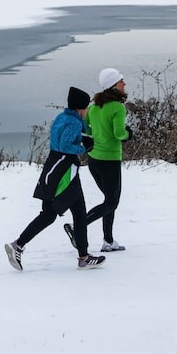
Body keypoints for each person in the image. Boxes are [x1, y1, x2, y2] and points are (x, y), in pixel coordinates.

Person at [5, 87, 106, 271]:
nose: (87, 111)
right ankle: (18, 245)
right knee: (51, 214)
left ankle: (83, 257)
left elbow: (60, 139)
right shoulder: (75, 123)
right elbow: (66, 145)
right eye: (86, 108)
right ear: (80, 109)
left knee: (79, 213)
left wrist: (82, 139)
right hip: (65, 171)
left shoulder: (62, 118)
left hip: (55, 165)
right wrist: (84, 149)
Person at [75, 67, 131, 252]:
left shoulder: (93, 107)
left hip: (94, 160)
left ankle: (108, 241)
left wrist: (95, 137)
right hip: (110, 161)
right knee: (112, 202)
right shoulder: (118, 107)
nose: (124, 83)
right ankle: (78, 228)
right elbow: (119, 134)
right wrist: (128, 134)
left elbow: (87, 129)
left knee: (109, 201)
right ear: (114, 85)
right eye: (121, 81)